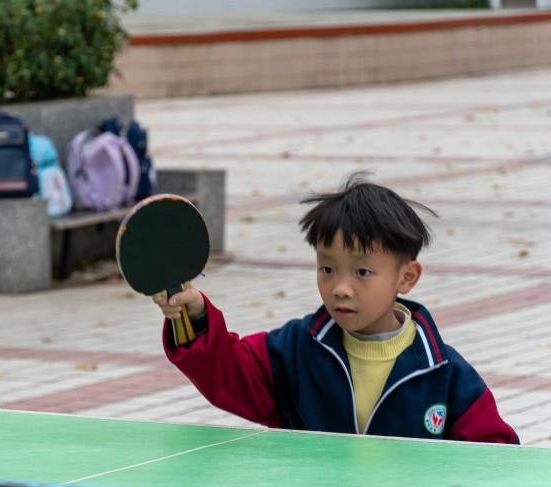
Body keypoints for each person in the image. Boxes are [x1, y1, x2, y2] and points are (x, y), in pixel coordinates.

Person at [153, 172, 518, 444]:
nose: (340, 288)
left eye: (362, 272)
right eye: (327, 269)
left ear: (406, 277)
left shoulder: (445, 373)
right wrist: (198, 318)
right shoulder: (295, 350)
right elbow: (230, 375)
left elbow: (493, 458)